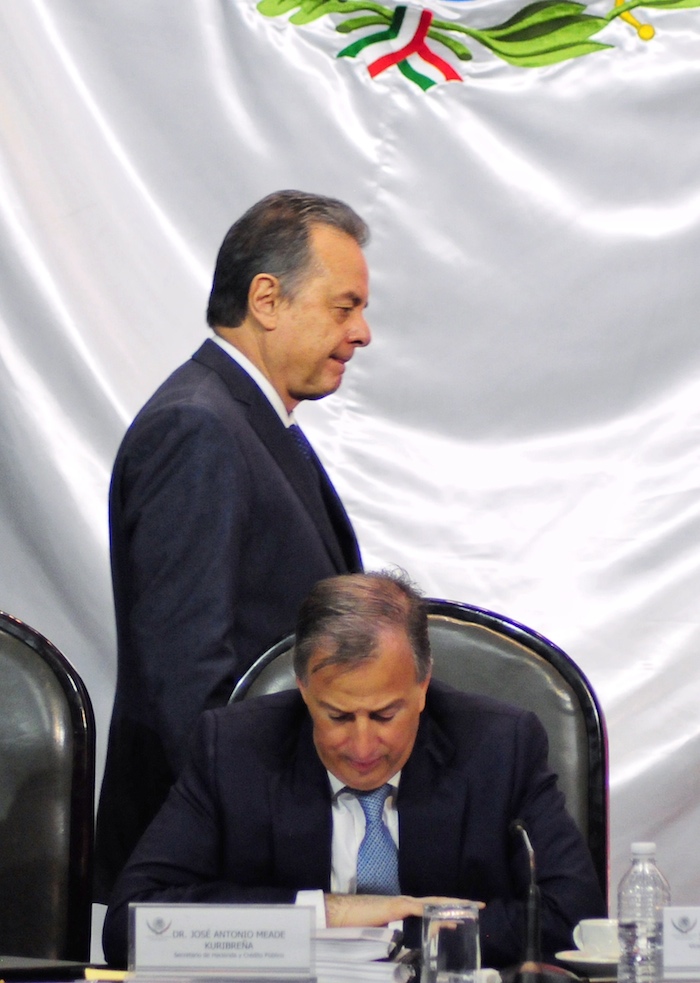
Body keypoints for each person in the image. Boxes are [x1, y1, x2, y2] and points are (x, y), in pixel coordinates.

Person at [102, 571, 606, 968]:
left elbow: (573, 919)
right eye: (337, 715)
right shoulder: (234, 748)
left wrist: (395, 929)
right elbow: (132, 925)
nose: (363, 745)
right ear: (302, 689)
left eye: (386, 714)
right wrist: (331, 912)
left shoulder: (500, 746)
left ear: (423, 684)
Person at [95, 191, 371, 901]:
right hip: (214, 875)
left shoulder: (249, 423)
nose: (363, 332)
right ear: (268, 299)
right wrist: (271, 836)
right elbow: (190, 682)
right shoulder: (199, 430)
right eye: (344, 307)